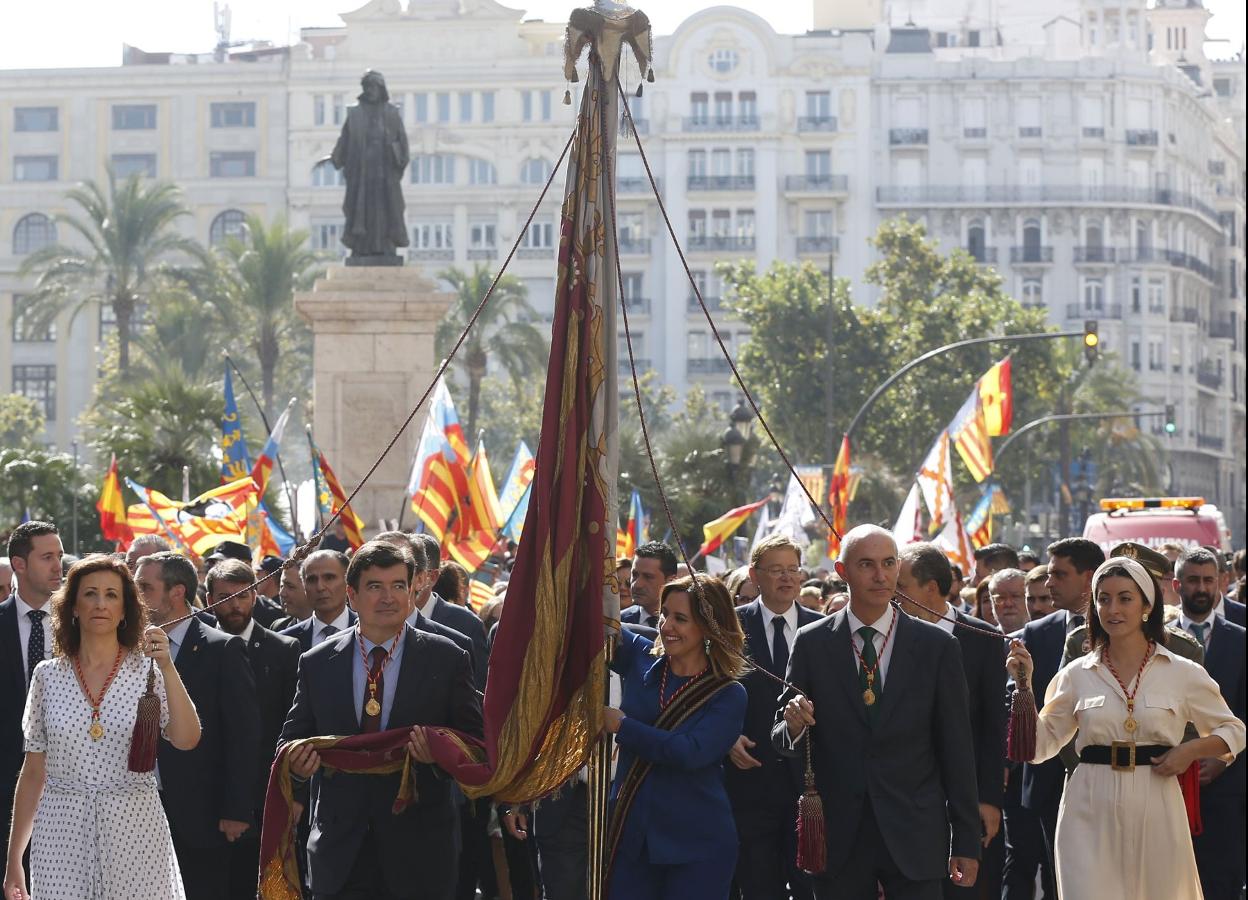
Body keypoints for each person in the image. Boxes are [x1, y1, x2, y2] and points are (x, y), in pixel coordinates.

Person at [1006, 556, 1245, 900]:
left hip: (1158, 800)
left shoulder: (1181, 670)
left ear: (1147, 606)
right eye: (1103, 598)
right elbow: (1039, 748)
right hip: (1087, 808)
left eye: (1125, 598)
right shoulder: (1076, 674)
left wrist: (1189, 751)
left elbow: (1234, 731)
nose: (1112, 608)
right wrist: (1024, 688)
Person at [775, 525, 980, 899]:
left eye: (888, 563)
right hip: (838, 835)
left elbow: (957, 749)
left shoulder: (937, 646)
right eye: (867, 564)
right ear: (842, 572)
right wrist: (791, 724)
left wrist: (966, 838)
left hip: (915, 832)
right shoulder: (812, 642)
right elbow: (782, 737)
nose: (880, 575)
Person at [279, 541, 483, 900]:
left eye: (399, 586)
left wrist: (438, 752)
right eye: (376, 586)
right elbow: (292, 740)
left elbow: (475, 742)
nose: (389, 597)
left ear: (412, 591)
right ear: (352, 596)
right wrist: (297, 764)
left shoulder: (447, 658)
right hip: (340, 849)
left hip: (420, 848)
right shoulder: (317, 662)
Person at [3, 555, 201, 900]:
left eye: (112, 595)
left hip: (135, 826)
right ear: (73, 607)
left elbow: (187, 739)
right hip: (61, 830)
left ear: (125, 610)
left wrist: (168, 667)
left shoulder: (149, 671)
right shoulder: (47, 676)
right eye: (90, 593)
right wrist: (13, 859)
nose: (100, 603)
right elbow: (33, 771)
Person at [604, 575, 747, 900]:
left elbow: (689, 752)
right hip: (633, 839)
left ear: (709, 628)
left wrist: (623, 727)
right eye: (665, 614)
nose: (667, 625)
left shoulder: (729, 693)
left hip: (697, 845)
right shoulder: (641, 657)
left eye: (680, 618)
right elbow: (596, 623)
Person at [136, 552, 261, 900]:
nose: (136, 594)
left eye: (144, 586)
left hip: (201, 815)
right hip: (138, 809)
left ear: (176, 592)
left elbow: (242, 735)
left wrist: (236, 809)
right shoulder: (128, 649)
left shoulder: (222, 649)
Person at [897, 542, 1006, 900]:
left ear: (930, 588)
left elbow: (994, 726)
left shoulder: (983, 638)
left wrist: (989, 799)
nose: (893, 596)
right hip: (906, 798)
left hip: (966, 798)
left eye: (902, 587)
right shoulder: (888, 638)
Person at [727, 534, 821, 900]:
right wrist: (726, 737)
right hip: (749, 777)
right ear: (755, 575)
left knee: (810, 884)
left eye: (793, 570)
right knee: (758, 884)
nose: (787, 578)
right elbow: (711, 691)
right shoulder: (731, 628)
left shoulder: (824, 628)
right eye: (776, 570)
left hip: (809, 784)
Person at [1010, 538, 1104, 897]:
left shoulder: (1122, 630)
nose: (1048, 585)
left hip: (1113, 779)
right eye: (1048, 575)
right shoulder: (1037, 632)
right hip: (1051, 781)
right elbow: (1029, 707)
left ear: (1089, 577)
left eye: (1059, 575)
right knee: (1057, 883)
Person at [205, 558, 302, 899]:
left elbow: (291, 728)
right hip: (206, 797)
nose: (233, 604)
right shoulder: (195, 648)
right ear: (208, 600)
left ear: (256, 597)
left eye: (242, 595)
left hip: (267, 794)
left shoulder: (284, 650)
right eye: (224, 596)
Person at [1174, 547, 1247, 900]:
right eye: (1192, 580)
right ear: (1177, 585)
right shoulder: (1155, 639)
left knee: (1220, 884)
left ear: (1221, 581)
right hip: (1167, 784)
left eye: (1208, 580)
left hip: (1227, 791)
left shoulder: (1240, 638)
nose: (1201, 588)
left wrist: (1222, 758)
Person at [1, 521, 62, 876]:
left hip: (67, 786)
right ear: (19, 564)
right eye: (47, 557)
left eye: (60, 556)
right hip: (6, 786)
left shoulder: (84, 624)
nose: (58, 566)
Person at [331, 69, 409, 263]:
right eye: (366, 86)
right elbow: (345, 139)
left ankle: (386, 247)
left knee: (387, 210)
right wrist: (338, 156)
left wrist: (397, 156)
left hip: (385, 173)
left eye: (373, 86)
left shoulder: (392, 113)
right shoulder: (355, 113)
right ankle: (361, 248)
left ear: (381, 88)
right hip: (361, 172)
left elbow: (402, 142)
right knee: (360, 209)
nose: (370, 90)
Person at [412, 534, 488, 692]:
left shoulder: (467, 625)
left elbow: (477, 693)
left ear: (431, 577)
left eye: (410, 573)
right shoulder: (376, 619)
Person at [281, 550, 357, 652]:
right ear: (304, 586)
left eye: (329, 578)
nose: (320, 587)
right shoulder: (285, 642)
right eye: (312, 580)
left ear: (347, 582)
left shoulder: (370, 632)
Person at [621, 542, 678, 628]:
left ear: (670, 581)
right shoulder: (618, 622)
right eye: (635, 575)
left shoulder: (686, 624)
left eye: (648, 577)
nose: (637, 584)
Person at [987, 568, 1029, 635]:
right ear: (992, 601)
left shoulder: (1043, 638)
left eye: (1015, 596)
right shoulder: (984, 641)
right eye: (1001, 598)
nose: (1008, 604)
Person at [273, 563, 312, 632]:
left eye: (290, 587)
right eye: (281, 586)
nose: (282, 593)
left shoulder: (331, 629)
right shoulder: (279, 627)